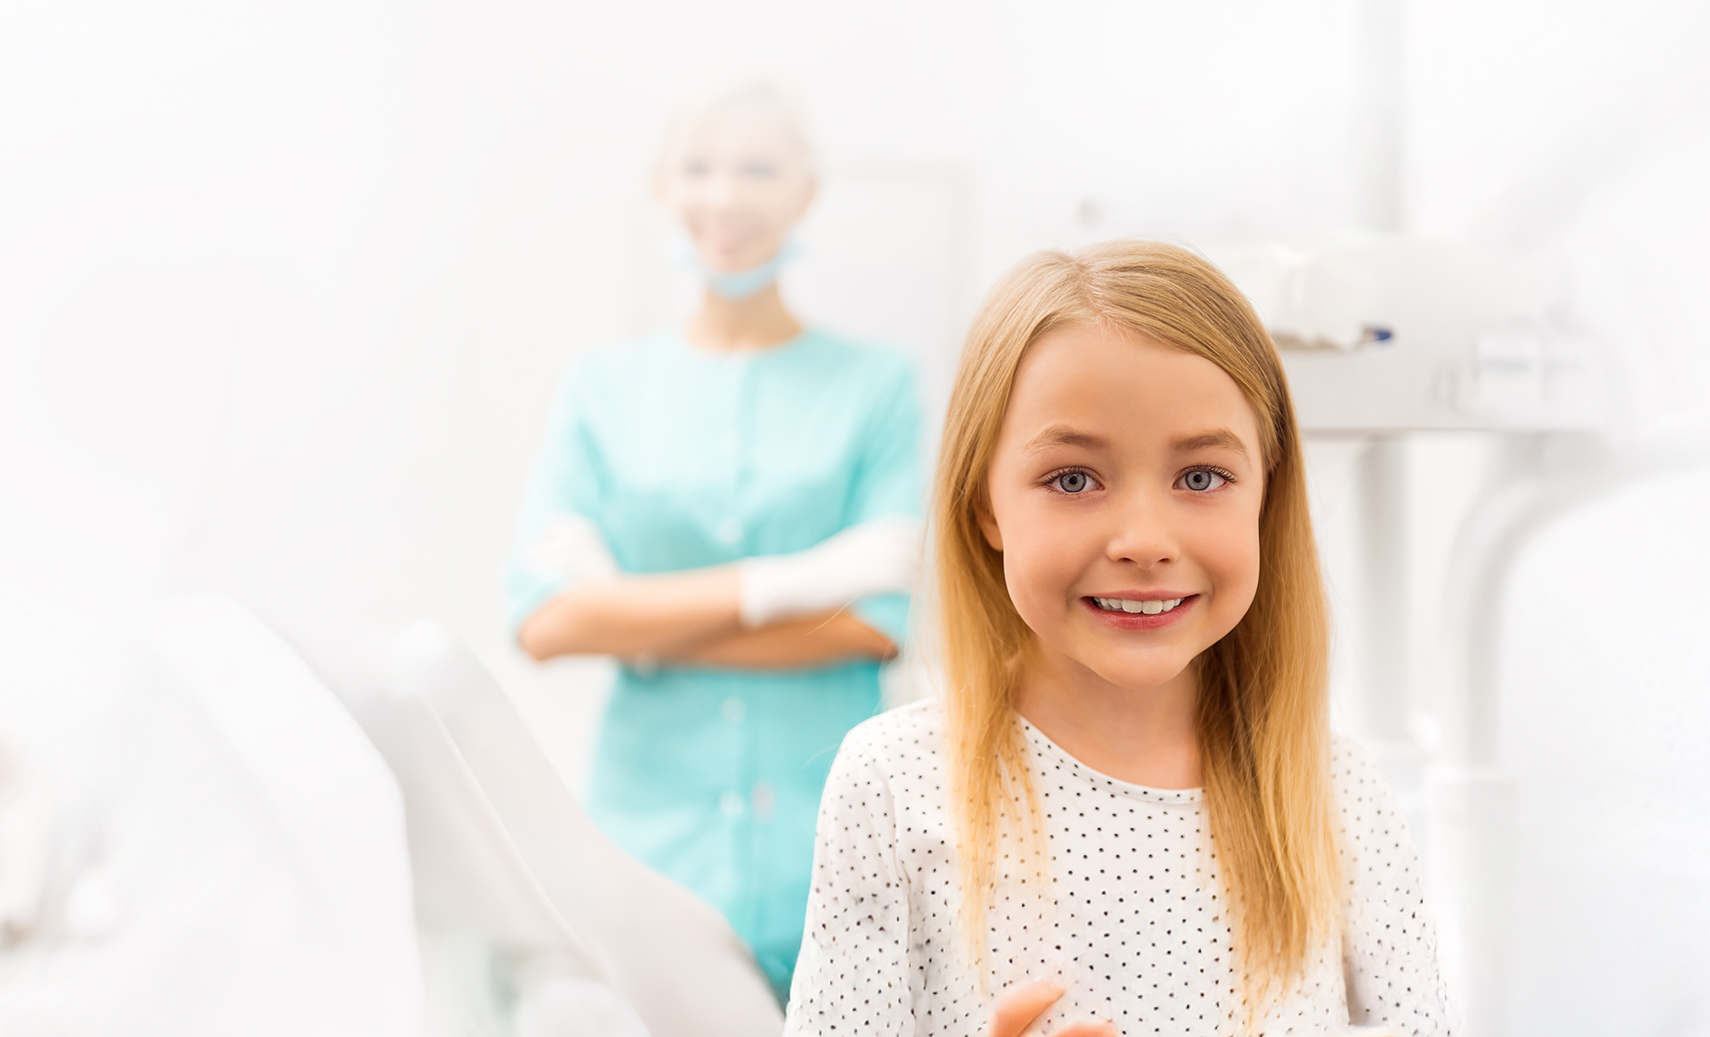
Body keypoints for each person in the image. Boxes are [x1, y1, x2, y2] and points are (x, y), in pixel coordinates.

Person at [787, 241, 1448, 1035]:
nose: (1143, 540)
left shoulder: (1338, 796)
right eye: (1073, 480)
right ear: (985, 507)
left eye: (1201, 478)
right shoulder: (894, 785)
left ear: (1266, 499)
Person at [506, 81, 920, 1002]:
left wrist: (634, 618)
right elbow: (543, 623)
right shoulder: (601, 393)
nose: (724, 196)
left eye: (758, 168)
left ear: (804, 191)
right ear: (664, 185)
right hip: (643, 851)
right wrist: (796, 582)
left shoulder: (879, 387)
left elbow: (874, 625)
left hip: (831, 847)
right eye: (698, 167)